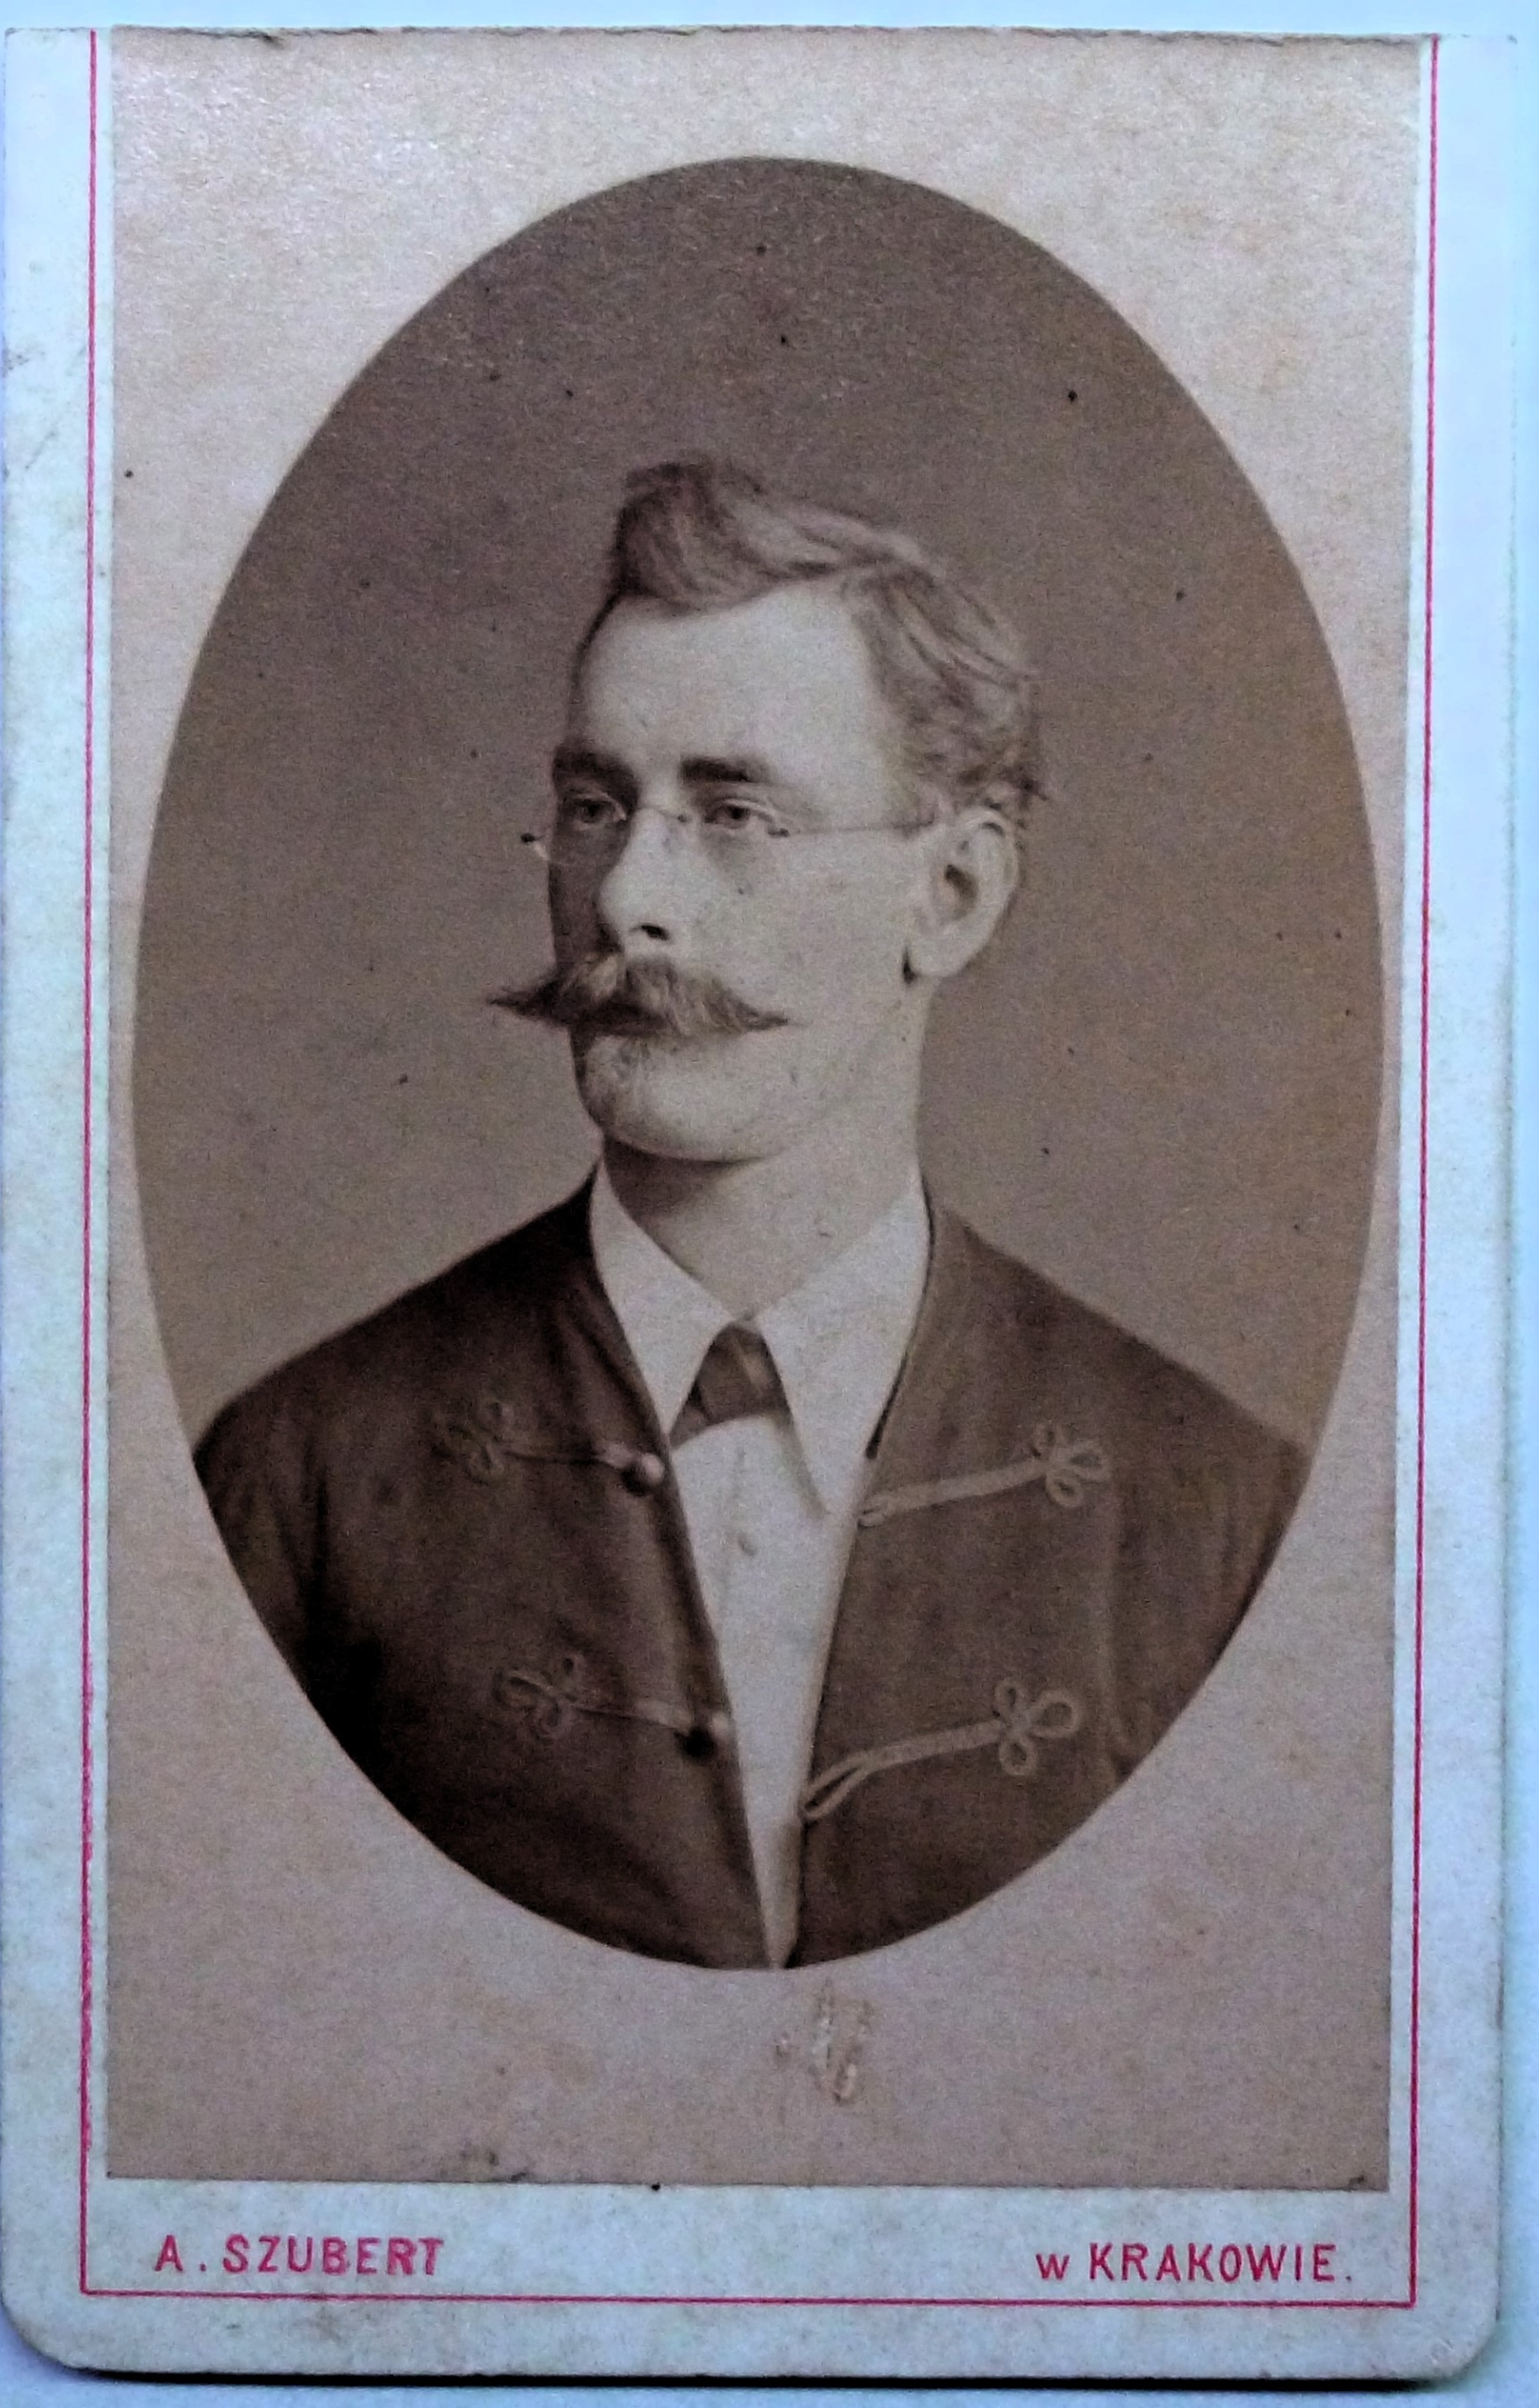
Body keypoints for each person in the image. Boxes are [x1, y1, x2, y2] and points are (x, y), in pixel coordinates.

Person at [197, 458, 1305, 1971]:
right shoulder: (300, 1477)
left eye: (735, 814)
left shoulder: (1216, 1510)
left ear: (955, 895)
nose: (624, 902)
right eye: (595, 807)